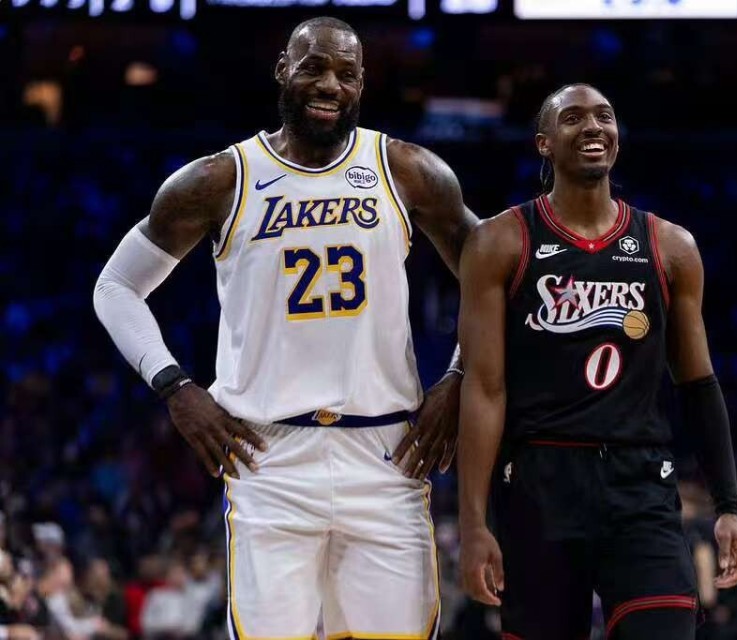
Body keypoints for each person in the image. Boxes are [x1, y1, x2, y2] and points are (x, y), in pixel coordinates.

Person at [93, 16, 477, 639]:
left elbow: (494, 279)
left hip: (386, 455)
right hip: (266, 457)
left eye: (346, 73)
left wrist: (459, 375)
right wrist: (175, 386)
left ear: (362, 84)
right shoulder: (220, 179)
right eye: (313, 67)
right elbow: (114, 287)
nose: (329, 85)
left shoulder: (408, 171)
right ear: (282, 70)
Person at [456, 83, 737, 639]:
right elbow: (485, 389)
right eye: (573, 118)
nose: (593, 126)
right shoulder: (500, 241)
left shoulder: (671, 247)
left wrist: (728, 506)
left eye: (605, 116)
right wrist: (473, 523)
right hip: (540, 482)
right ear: (544, 143)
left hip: (640, 482)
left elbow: (698, 384)